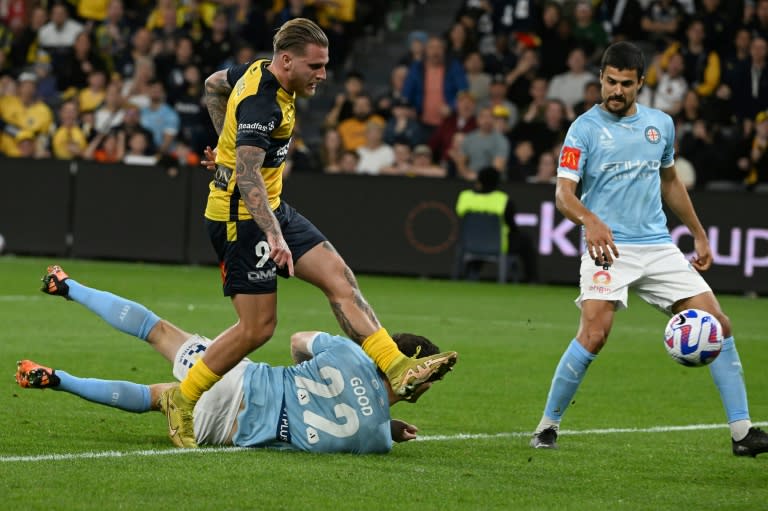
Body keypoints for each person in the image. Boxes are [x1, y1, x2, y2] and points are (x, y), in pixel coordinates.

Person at [175, 18, 457, 448]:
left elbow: (214, 84)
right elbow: (248, 176)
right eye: (316, 66)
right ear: (286, 61)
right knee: (257, 329)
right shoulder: (262, 105)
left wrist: (225, 145)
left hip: (270, 208)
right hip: (242, 218)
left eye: (324, 65)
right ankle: (183, 398)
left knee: (338, 278)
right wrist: (273, 233)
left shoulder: (258, 72)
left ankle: (395, 367)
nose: (323, 75)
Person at [530, 41, 768, 457]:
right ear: (600, 78)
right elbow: (563, 196)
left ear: (641, 83)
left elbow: (671, 182)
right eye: (609, 82)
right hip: (609, 248)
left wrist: (698, 232)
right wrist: (591, 220)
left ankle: (743, 433)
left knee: (720, 324)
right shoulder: (583, 129)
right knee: (595, 334)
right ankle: (547, 426)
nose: (615, 91)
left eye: (625, 84)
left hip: (658, 246)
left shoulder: (660, 125)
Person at [20, 265, 435, 453]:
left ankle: (66, 285)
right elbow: (364, 414)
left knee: (158, 330)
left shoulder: (346, 350)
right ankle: (60, 379)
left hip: (238, 379)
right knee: (154, 397)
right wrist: (388, 423)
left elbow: (297, 342)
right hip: (227, 430)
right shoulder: (377, 440)